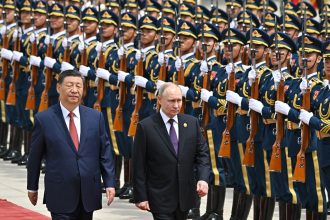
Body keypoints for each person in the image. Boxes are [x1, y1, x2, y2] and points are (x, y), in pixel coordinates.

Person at [27, 70, 116, 220]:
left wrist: (109, 183)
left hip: (88, 191)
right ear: (58, 87)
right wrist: (32, 187)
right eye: (69, 85)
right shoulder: (44, 119)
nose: (74, 90)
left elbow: (105, 152)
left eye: (78, 86)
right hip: (59, 190)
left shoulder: (95, 117)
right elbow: (34, 157)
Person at [132, 82, 210, 220]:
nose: (176, 105)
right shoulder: (146, 127)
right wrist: (141, 196)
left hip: (185, 197)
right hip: (159, 197)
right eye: (171, 101)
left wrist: (203, 179)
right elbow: (139, 164)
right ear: (160, 100)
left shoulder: (191, 123)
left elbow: (202, 154)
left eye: (179, 100)